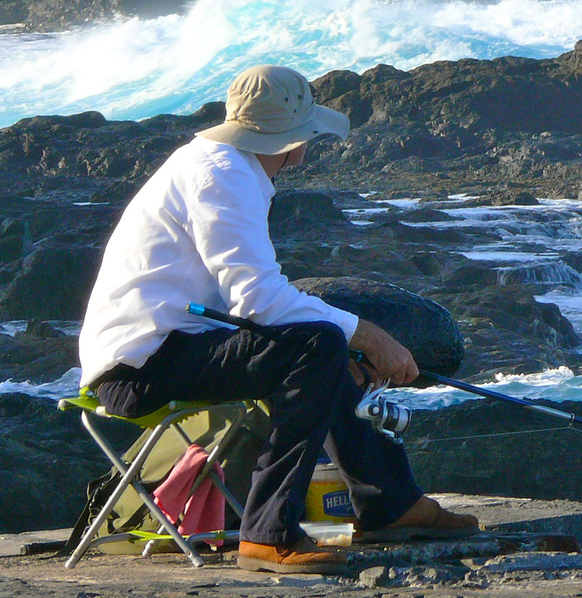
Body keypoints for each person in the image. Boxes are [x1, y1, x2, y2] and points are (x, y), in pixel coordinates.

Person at [78, 64, 477, 574]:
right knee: (319, 343)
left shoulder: (222, 163)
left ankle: (391, 504)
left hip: (164, 350)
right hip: (140, 369)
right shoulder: (221, 175)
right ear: (296, 139)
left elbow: (250, 306)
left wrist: (343, 347)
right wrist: (372, 338)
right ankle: (269, 534)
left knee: (322, 344)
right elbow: (259, 302)